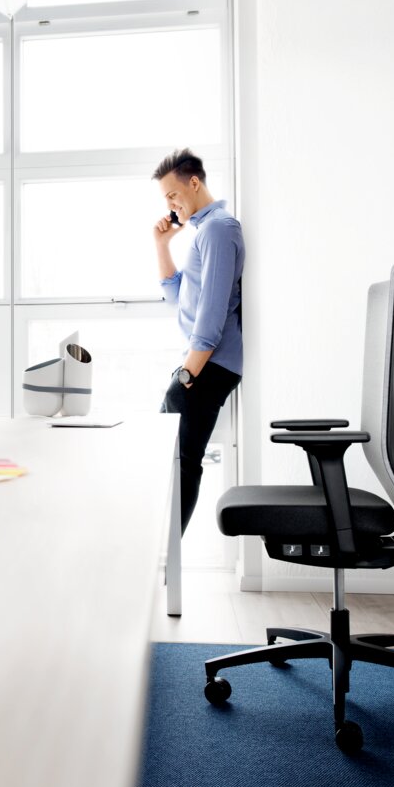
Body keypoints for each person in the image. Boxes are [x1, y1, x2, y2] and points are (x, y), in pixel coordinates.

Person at [152, 148, 244, 535]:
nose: (170, 205)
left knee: (182, 463)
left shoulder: (219, 229)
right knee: (170, 460)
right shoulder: (204, 232)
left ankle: (163, 557)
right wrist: (162, 245)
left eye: (173, 195)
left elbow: (212, 309)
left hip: (207, 365)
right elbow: (177, 297)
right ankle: (161, 554)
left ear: (194, 183)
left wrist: (188, 373)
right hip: (200, 364)